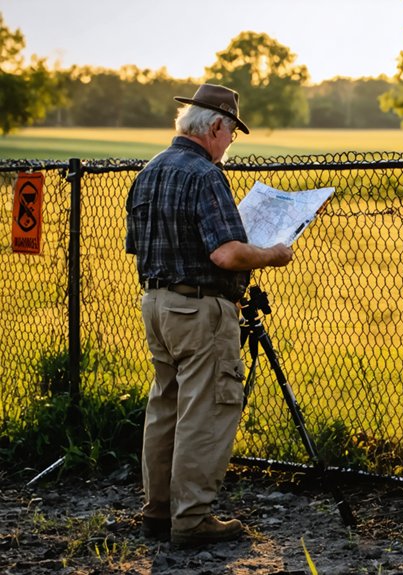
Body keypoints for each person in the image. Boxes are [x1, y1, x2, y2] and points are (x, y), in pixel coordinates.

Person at [125, 83, 293, 547]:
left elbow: (137, 246)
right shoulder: (205, 175)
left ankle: (159, 511)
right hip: (200, 308)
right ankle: (192, 519)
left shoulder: (150, 171)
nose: (230, 143)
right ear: (216, 126)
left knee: (166, 406)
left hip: (156, 302)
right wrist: (273, 254)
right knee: (206, 410)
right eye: (232, 134)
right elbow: (225, 254)